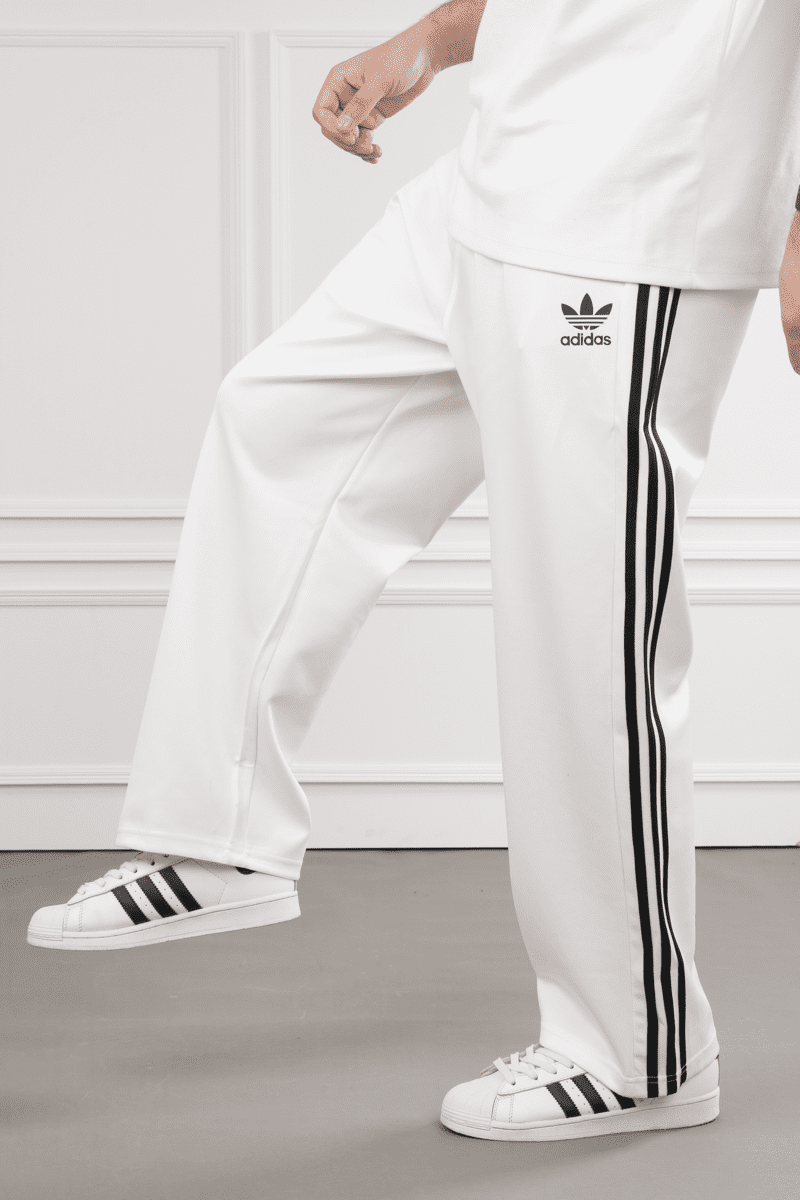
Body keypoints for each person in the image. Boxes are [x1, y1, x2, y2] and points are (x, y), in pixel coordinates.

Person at [26, 0, 800, 1141]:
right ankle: (220, 839)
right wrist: (433, 38)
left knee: (585, 638)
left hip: (628, 222)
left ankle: (642, 1052)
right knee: (276, 423)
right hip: (490, 183)